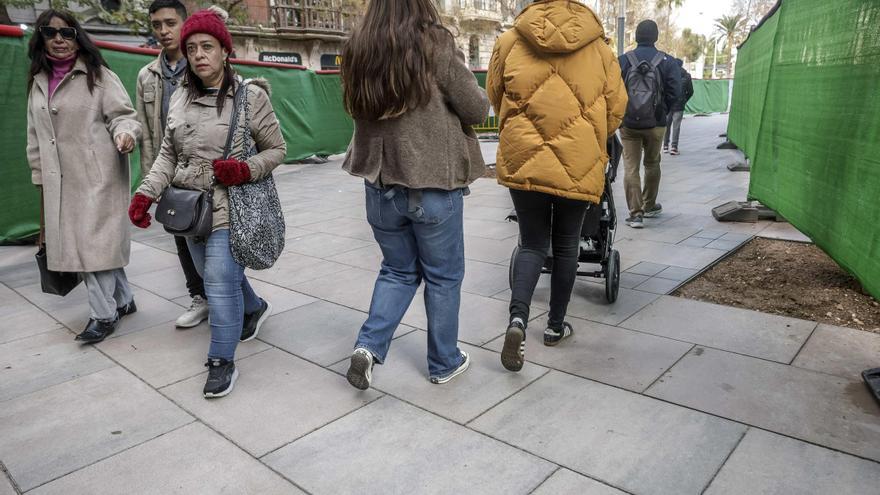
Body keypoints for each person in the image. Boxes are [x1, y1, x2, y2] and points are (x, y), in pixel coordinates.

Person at [128, 7, 285, 398]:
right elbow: (167, 154)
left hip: (229, 204)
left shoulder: (251, 97)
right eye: (192, 47)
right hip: (187, 209)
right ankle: (254, 307)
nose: (198, 55)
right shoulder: (179, 97)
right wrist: (145, 193)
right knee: (220, 277)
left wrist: (245, 169)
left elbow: (278, 149)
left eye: (207, 47)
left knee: (217, 285)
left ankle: (221, 361)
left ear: (225, 50)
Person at [340, 0, 489, 389]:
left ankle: (367, 348)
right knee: (443, 276)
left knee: (397, 270)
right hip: (431, 184)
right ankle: (443, 361)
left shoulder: (357, 47)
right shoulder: (434, 42)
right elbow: (475, 109)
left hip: (379, 182)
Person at [487, 0, 627, 372]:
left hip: (523, 154)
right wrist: (591, 132)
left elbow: (494, 93)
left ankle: (517, 320)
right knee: (567, 246)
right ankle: (554, 326)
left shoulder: (509, 41)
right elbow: (617, 108)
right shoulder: (600, 48)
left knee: (532, 243)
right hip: (578, 160)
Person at [26, 10, 142, 344]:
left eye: (66, 32)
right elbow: (34, 136)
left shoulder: (98, 75)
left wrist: (126, 135)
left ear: (78, 37)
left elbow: (124, 116)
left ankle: (103, 316)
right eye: (50, 32)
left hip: (98, 176)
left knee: (93, 248)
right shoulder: (37, 82)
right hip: (58, 180)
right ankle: (123, 300)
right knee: (94, 247)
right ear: (41, 38)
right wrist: (40, 178)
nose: (59, 39)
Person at [136, 0, 209, 329]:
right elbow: (149, 135)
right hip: (168, 172)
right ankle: (199, 297)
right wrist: (149, 182)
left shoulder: (203, 66)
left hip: (204, 171)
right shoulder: (146, 76)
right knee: (180, 235)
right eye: (156, 25)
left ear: (184, 23)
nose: (163, 31)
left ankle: (227, 297)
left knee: (213, 238)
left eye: (170, 23)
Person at [618, 19, 681, 228]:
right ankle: (649, 205)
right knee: (652, 163)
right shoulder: (667, 62)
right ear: (656, 37)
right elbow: (676, 93)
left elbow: (612, 92)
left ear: (636, 36)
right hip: (656, 123)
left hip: (628, 124)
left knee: (630, 167)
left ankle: (635, 215)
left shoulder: (623, 61)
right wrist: (663, 112)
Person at [663, 58, 693, 155]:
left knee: (666, 125)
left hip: (669, 104)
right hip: (679, 105)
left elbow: (663, 89)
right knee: (676, 126)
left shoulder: (668, 74)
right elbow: (690, 92)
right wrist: (684, 100)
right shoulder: (687, 76)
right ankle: (674, 148)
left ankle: (665, 146)